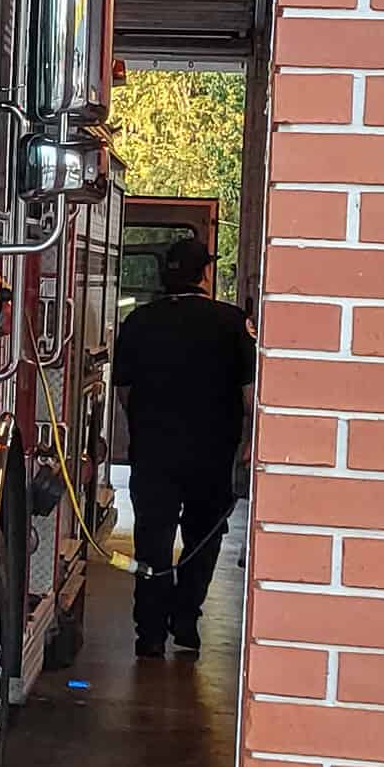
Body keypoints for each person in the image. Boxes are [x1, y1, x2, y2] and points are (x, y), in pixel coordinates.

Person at [112, 236, 256, 659]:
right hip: (211, 455)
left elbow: (123, 391)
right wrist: (247, 442)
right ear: (204, 274)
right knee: (203, 537)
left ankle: (150, 634)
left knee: (153, 541)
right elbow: (250, 397)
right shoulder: (233, 323)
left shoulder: (139, 321)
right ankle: (187, 622)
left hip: (154, 453)